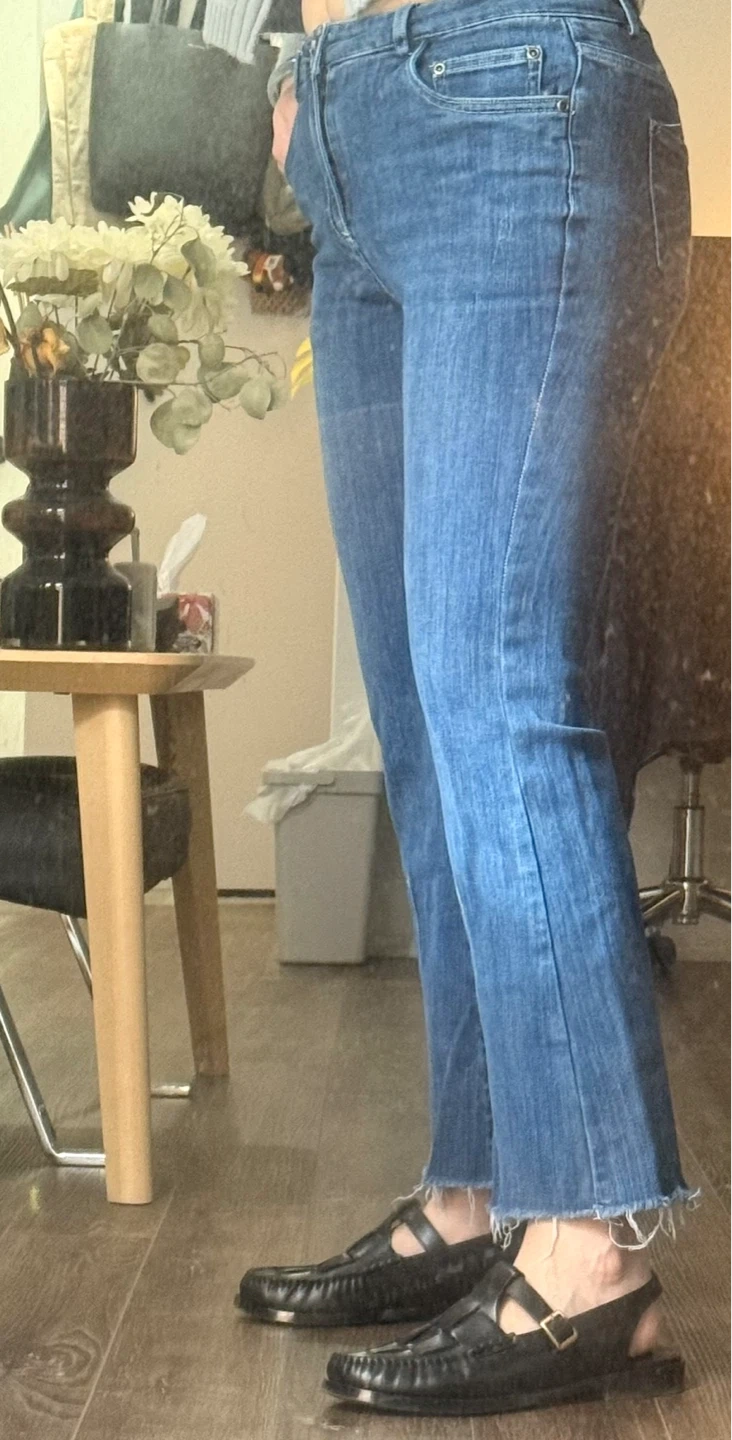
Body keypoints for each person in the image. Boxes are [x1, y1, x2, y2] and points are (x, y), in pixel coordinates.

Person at [237, 0, 699, 1417]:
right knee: (427, 724)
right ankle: (481, 1190)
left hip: (509, 89)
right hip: (348, 124)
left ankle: (591, 1256)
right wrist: (294, 61)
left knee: (498, 689)